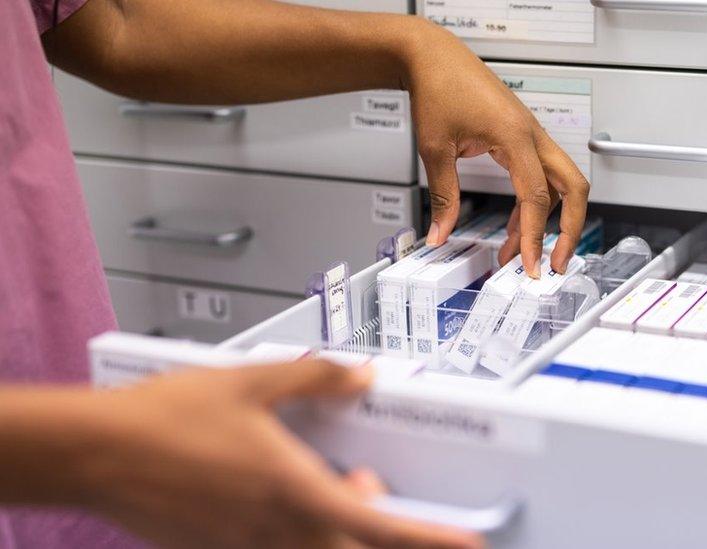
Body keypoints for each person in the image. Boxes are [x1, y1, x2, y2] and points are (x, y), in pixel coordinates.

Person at [0, 0, 590, 547]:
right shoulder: (100, 457)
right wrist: (98, 453)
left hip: (56, 425)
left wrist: (414, 44)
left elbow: (114, 28)